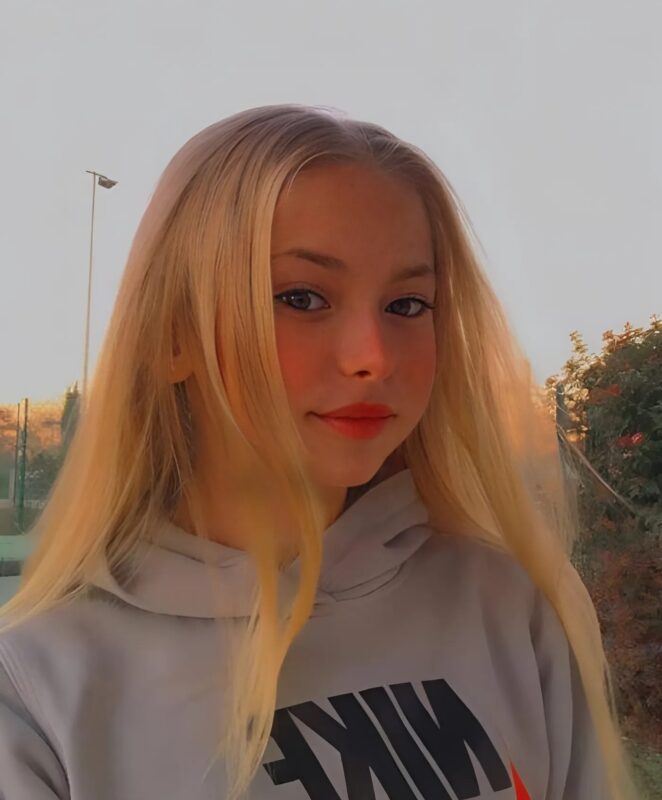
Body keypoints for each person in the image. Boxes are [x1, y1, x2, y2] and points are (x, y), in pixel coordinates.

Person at [0, 104, 639, 800]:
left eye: (408, 305)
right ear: (173, 335)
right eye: (301, 298)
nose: (372, 357)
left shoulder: (506, 607)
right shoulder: (37, 686)